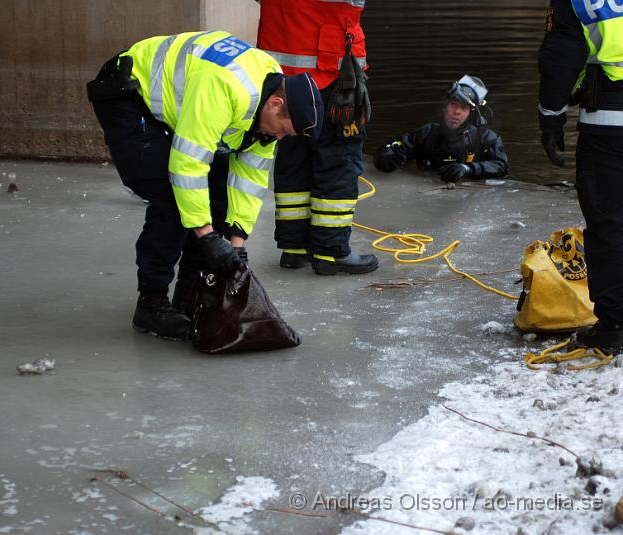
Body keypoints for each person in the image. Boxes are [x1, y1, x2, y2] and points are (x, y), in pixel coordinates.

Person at [88, 30, 324, 341]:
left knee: (218, 193)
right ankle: (151, 303)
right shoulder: (226, 87)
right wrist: (207, 236)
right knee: (172, 194)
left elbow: (249, 180)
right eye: (284, 130)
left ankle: (188, 297)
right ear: (275, 104)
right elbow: (187, 166)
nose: (280, 138)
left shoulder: (273, 100)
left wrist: (236, 244)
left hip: (178, 105)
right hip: (128, 94)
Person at [256, 0, 379, 275]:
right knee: (339, 161)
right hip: (331, 72)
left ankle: (294, 247)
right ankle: (331, 250)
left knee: (293, 158)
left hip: (282, 77)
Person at [538, 0, 623, 354]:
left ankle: (614, 327)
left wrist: (551, 116)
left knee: (610, 225)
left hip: (609, 127)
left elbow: (562, 60)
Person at [373, 75, 509, 183]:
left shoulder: (486, 139)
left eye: (463, 108)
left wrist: (467, 169)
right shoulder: (427, 133)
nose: (456, 111)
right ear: (446, 106)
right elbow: (390, 148)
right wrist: (387, 158)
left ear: (471, 114)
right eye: (453, 104)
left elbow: (501, 167)